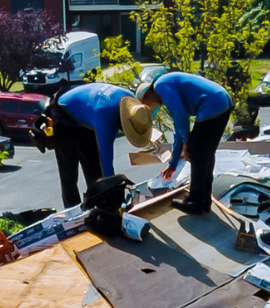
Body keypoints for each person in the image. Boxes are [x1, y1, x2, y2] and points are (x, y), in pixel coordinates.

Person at [139, 68, 234, 216]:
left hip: (213, 103)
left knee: (196, 152)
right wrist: (172, 165)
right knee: (206, 155)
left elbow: (181, 116)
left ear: (147, 95)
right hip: (223, 102)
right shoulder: (165, 91)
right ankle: (204, 201)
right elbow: (179, 128)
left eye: (147, 104)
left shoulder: (161, 85)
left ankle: (195, 201)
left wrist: (187, 142)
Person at [56, 81, 140, 208]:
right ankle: (72, 212)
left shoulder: (130, 101)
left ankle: (98, 206)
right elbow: (106, 161)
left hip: (86, 114)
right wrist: (113, 194)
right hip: (63, 113)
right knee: (69, 174)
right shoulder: (105, 117)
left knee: (94, 169)